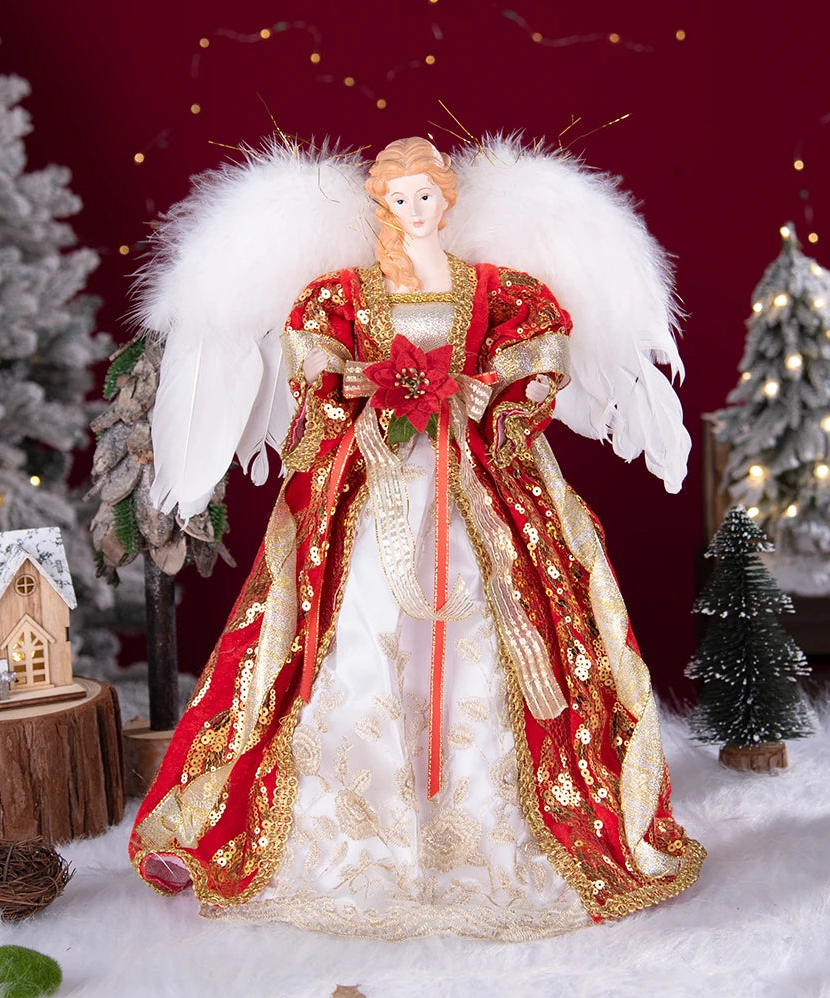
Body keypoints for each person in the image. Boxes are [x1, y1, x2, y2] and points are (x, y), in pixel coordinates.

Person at [129, 137, 704, 940]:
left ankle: (492, 813)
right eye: (398, 200)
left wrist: (481, 394)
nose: (414, 211)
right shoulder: (346, 294)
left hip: (475, 486)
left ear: (446, 199)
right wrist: (360, 393)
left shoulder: (494, 290)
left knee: (494, 630)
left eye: (425, 196)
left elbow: (539, 355)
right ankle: (363, 822)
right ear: (381, 205)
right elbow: (317, 372)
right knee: (363, 627)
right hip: (378, 487)